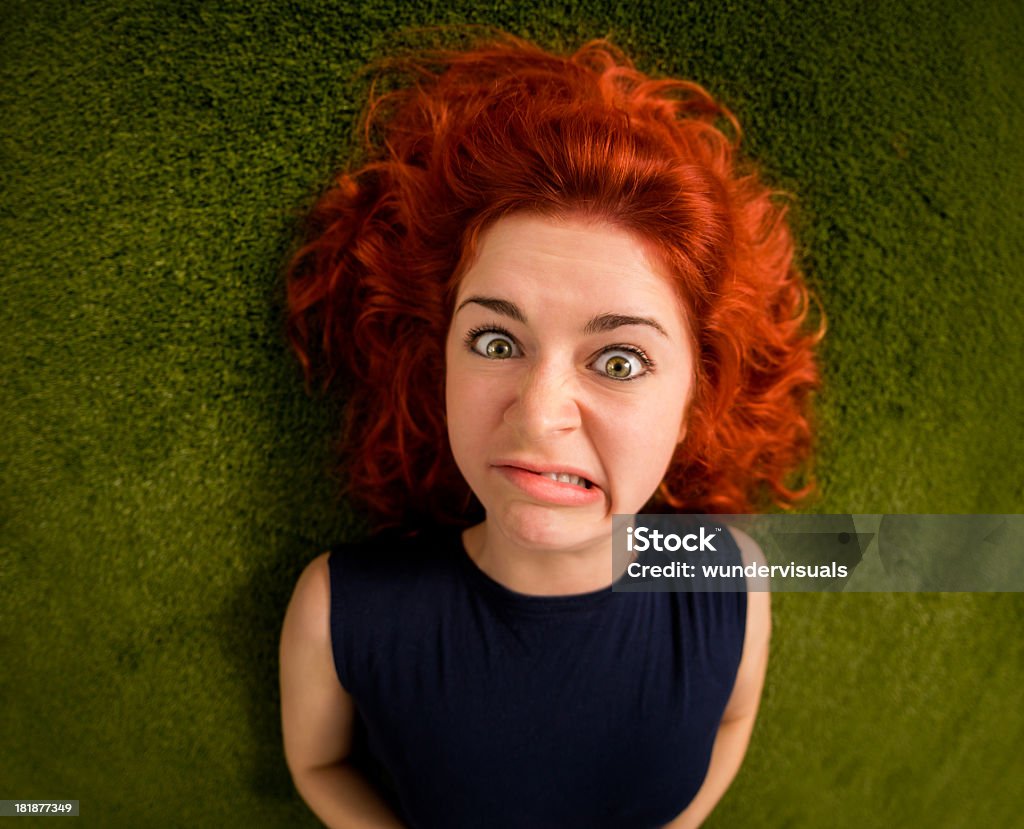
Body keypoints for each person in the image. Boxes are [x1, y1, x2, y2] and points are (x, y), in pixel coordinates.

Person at [279, 31, 820, 829]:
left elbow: (732, 720)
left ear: (692, 406)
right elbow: (316, 761)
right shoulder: (342, 608)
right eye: (496, 342)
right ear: (440, 364)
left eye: (622, 361)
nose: (538, 414)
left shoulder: (731, 582)